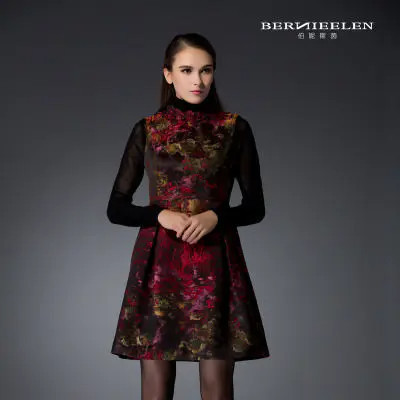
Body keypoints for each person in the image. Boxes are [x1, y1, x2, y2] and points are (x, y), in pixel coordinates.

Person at [106, 32, 270, 400]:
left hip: (216, 264)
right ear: (168, 74)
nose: (198, 80)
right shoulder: (148, 130)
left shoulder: (234, 129)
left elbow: (255, 207)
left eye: (206, 70)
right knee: (156, 389)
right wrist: (159, 215)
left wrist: (217, 217)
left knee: (217, 388)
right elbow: (116, 208)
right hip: (158, 267)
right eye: (187, 70)